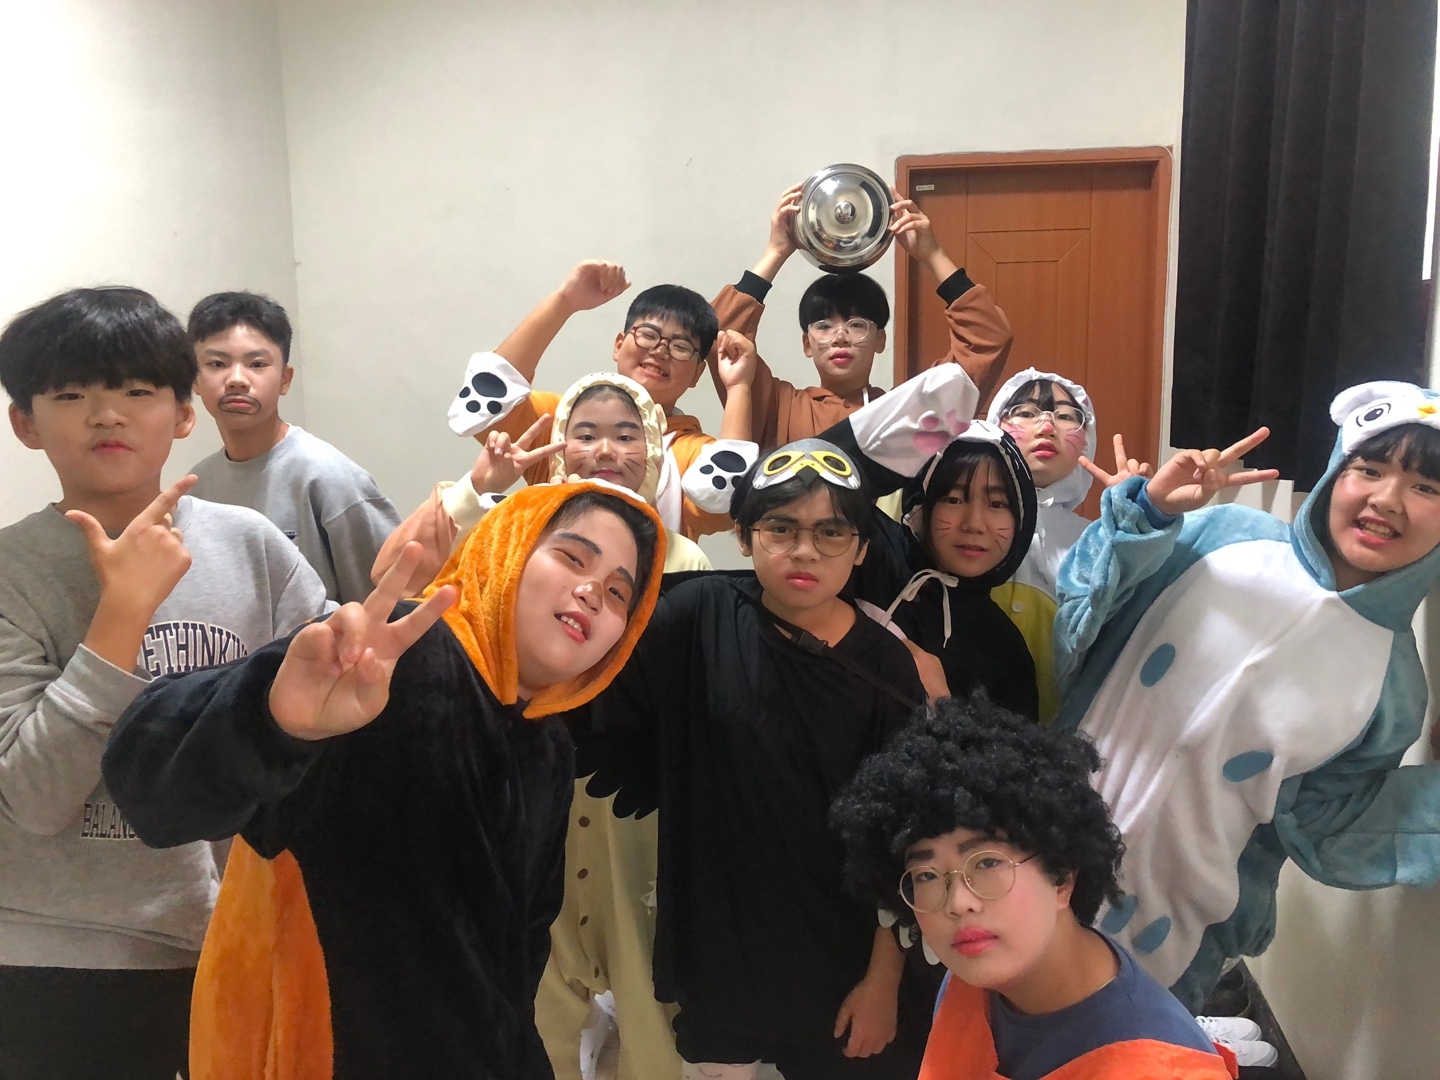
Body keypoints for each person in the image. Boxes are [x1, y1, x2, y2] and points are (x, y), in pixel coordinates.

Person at [102, 481, 666, 1080]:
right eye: (572, 558)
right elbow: (150, 786)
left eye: (617, 594)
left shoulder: (547, 748)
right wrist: (273, 719)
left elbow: (517, 956)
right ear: (508, 547)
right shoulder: (387, 659)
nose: (591, 592)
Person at [380, 361, 743, 1080]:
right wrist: (478, 490)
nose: (605, 451)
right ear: (559, 445)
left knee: (644, 991)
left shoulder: (686, 560)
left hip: (633, 815)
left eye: (626, 435)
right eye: (585, 434)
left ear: (655, 447)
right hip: (534, 791)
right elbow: (402, 578)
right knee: (535, 985)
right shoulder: (515, 534)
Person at [0, 286, 328, 1080]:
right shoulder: (12, 572)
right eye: (70, 395)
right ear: (25, 423)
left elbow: (320, 730)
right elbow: (32, 799)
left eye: (136, 391)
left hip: (238, 939)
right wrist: (121, 616)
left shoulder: (252, 548)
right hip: (63, 959)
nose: (106, 415)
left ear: (183, 415)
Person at [1054, 381, 1440, 1016]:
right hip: (1034, 854)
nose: (1387, 499)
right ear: (1335, 473)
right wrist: (1147, 514)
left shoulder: (1394, 689)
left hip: (1171, 939)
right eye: (1368, 469)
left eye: (1426, 488)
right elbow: (1082, 619)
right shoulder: (1224, 537)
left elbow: (1328, 823)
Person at [579, 438, 936, 1080]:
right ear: (744, 537)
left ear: (860, 548)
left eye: (832, 532)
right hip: (722, 946)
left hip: (843, 957)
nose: (805, 551)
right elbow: (589, 691)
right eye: (781, 528)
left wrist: (884, 979)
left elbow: (904, 838)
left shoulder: (887, 666)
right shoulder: (696, 616)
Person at [830, 694, 1240, 1079]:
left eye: (987, 862)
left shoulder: (1156, 1069)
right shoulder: (975, 976)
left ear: (1061, 876)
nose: (957, 902)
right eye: (927, 875)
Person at [708, 183, 1012, 455]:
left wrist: (932, 255)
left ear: (880, 339)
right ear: (807, 343)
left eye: (856, 325)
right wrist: (776, 252)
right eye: (824, 326)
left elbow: (987, 339)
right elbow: (718, 335)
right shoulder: (777, 408)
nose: (840, 337)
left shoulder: (907, 412)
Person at [446, 261, 737, 539]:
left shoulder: (695, 453)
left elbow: (724, 501)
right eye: (648, 335)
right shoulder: (561, 421)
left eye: (681, 346)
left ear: (697, 373)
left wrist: (738, 387)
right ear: (619, 345)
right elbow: (489, 405)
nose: (660, 351)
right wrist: (564, 301)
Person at [187, 291, 401, 604]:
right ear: (194, 379)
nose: (236, 379)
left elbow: (390, 602)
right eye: (217, 363)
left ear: (285, 380)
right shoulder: (198, 488)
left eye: (257, 364)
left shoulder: (330, 479)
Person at [986, 368, 1151, 720]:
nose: (1046, 426)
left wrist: (1132, 520)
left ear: (1086, 441)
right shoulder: (966, 523)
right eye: (1025, 412)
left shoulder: (1093, 539)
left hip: (1059, 727)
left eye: (1065, 417)